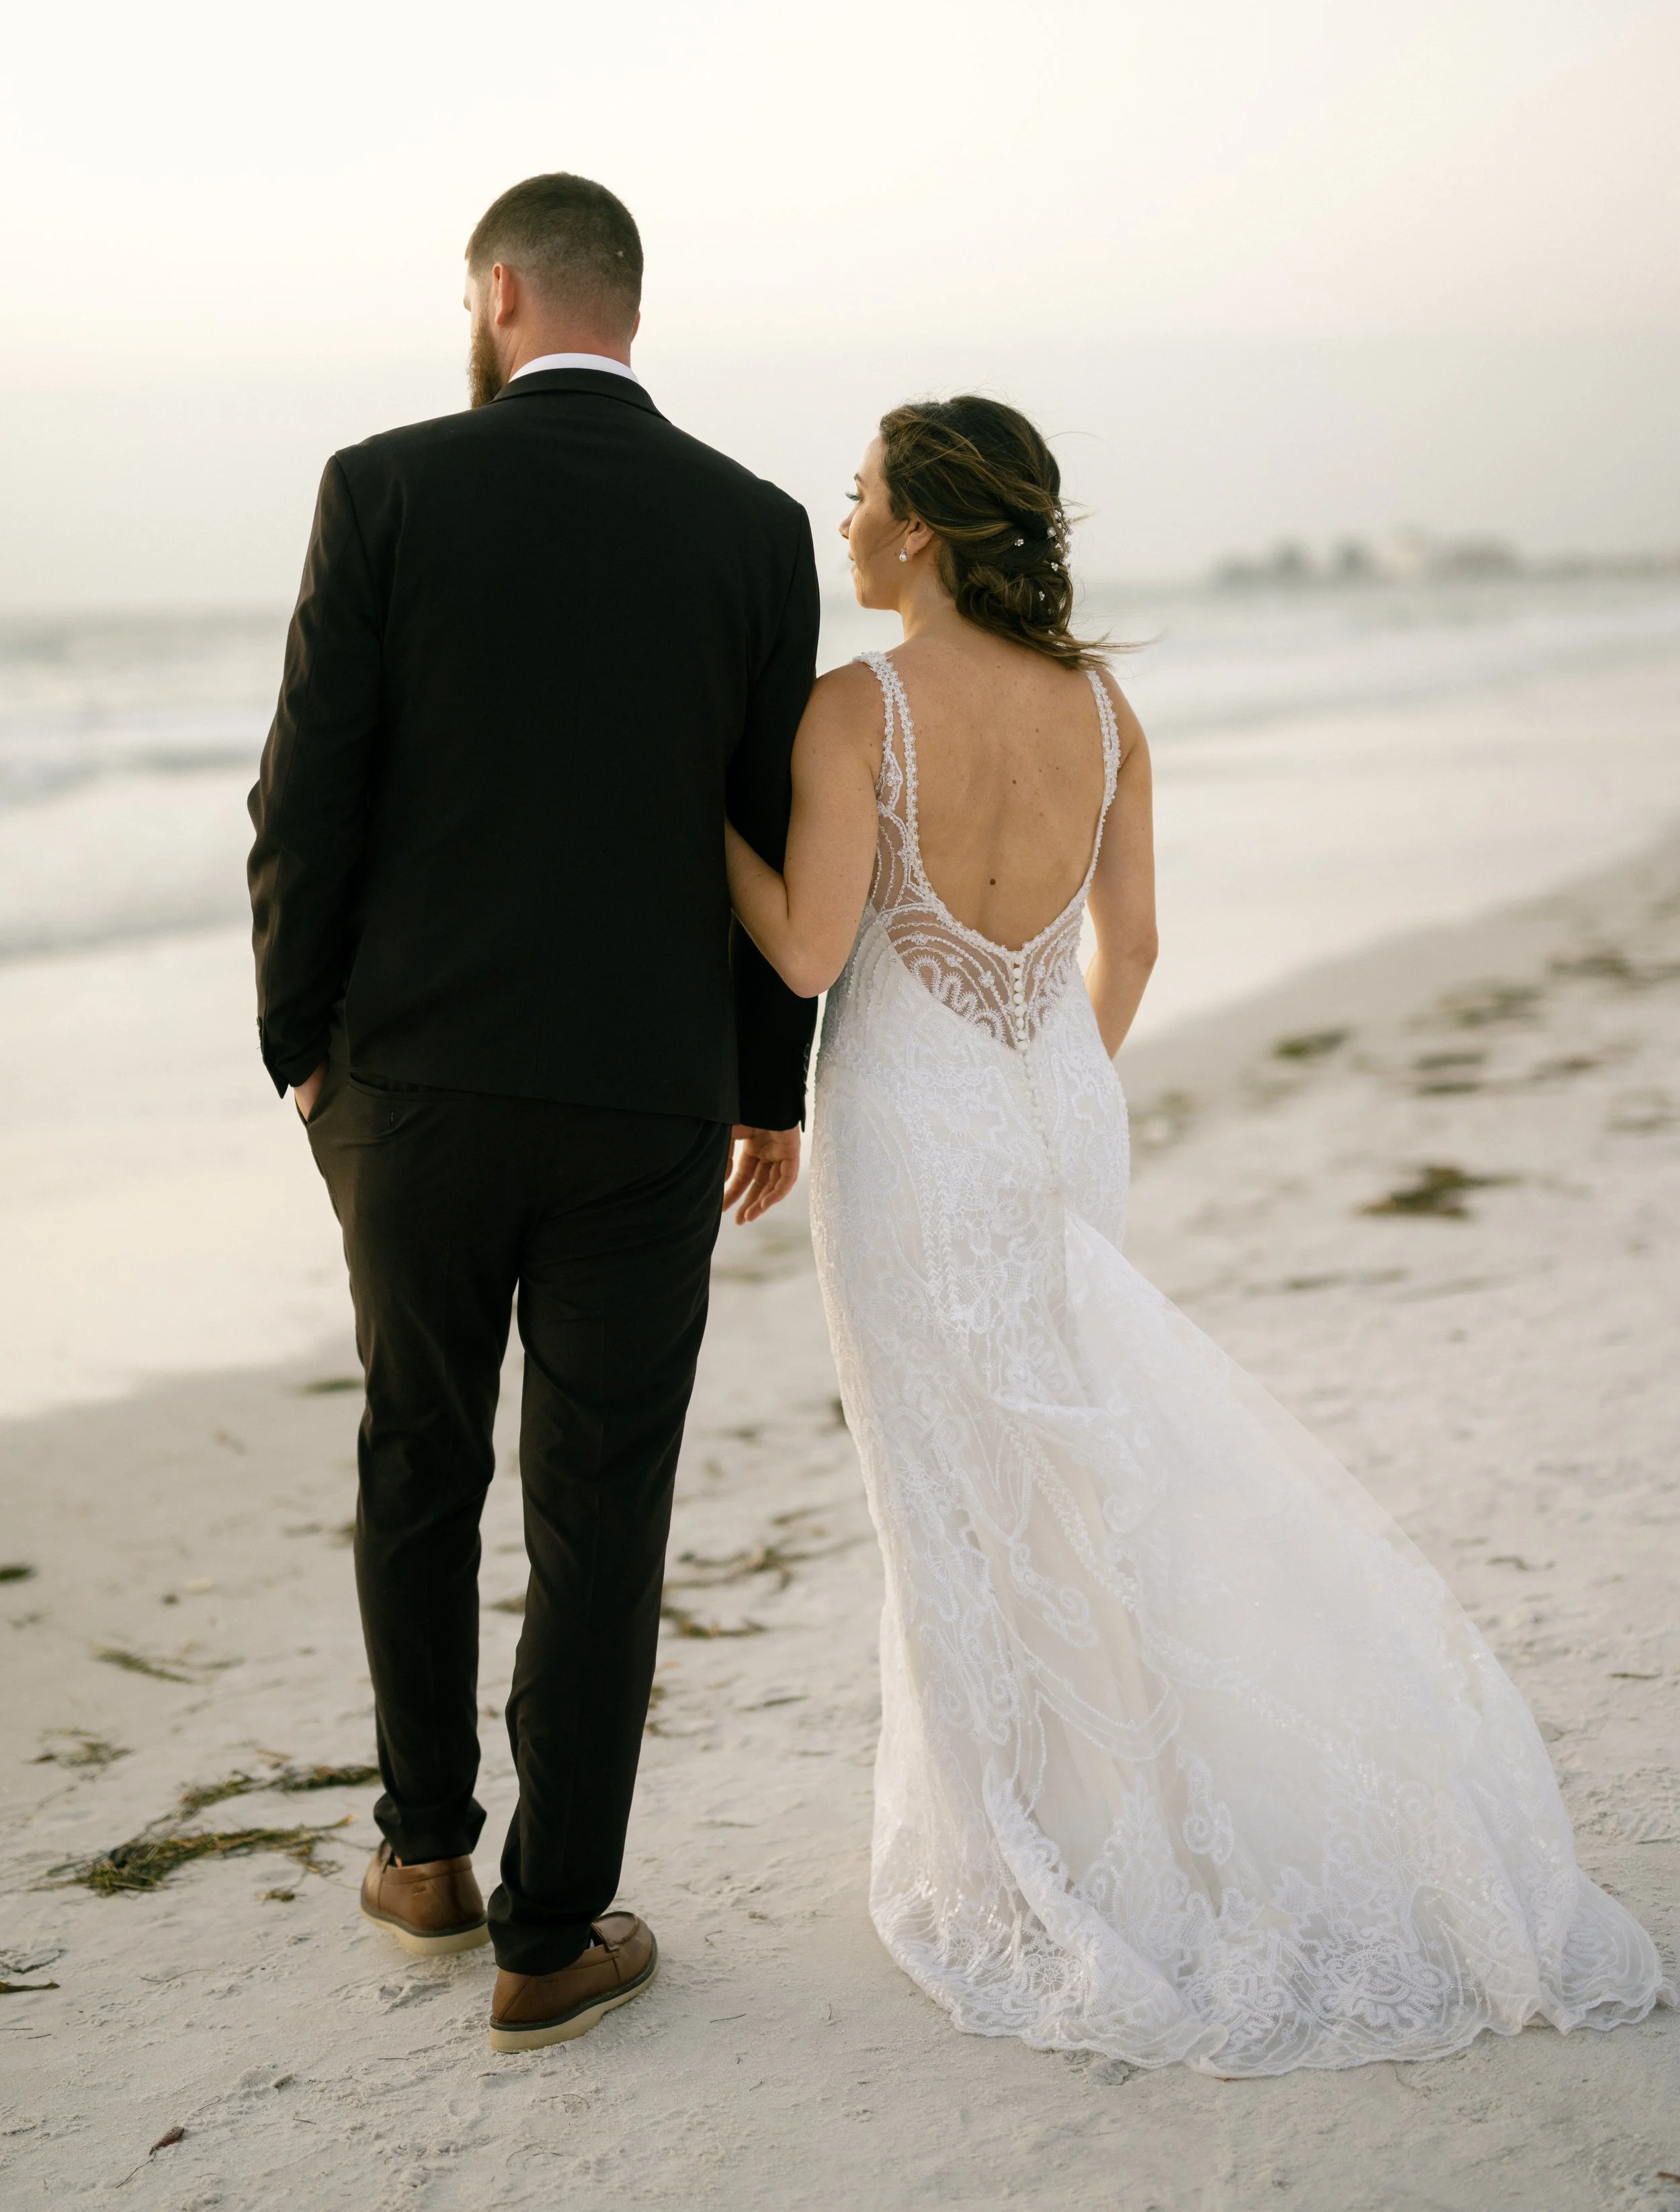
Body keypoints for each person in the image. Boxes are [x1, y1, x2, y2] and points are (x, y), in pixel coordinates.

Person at [724, 394, 1670, 2074]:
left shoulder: (851, 708)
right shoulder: (1101, 705)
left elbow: (804, 955)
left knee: (948, 1478)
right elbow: (1132, 950)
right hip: (1054, 1106)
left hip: (915, 1125)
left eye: (859, 496)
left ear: (923, 528)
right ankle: (1110, 1799)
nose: (845, 523)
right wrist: (1049, 1083)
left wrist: (684, 817)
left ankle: (1017, 1841)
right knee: (1071, 1471)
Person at [248, 173, 816, 2051]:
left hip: (408, 1079)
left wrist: (301, 1050)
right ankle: (550, 1935)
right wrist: (761, 1091)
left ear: (497, 292)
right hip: (645, 1094)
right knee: (600, 1503)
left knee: (417, 1454)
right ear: (624, 308)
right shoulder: (750, 524)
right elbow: (763, 829)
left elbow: (305, 797)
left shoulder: (386, 483)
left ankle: (423, 1853)